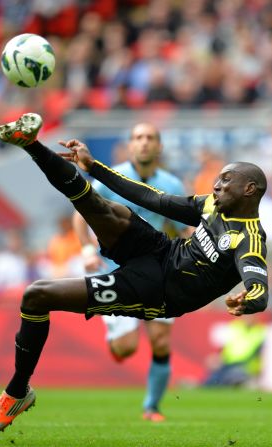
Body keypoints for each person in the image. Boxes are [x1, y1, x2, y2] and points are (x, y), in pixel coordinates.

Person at [0, 113, 268, 437]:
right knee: (97, 204)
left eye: (226, 180)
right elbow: (153, 199)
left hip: (156, 292)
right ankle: (31, 145)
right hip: (160, 251)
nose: (216, 184)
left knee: (37, 294)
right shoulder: (211, 206)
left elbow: (259, 284)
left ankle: (18, 393)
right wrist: (95, 166)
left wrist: (252, 297)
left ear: (249, 189)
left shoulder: (250, 240)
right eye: (218, 178)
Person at [72, 122, 187, 422]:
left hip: (158, 270)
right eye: (138, 138)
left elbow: (179, 226)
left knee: (161, 341)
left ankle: (151, 407)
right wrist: (86, 250)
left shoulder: (172, 185)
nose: (144, 143)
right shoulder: (111, 179)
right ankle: (116, 342)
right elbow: (80, 214)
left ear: (159, 146)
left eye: (150, 138)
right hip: (117, 270)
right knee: (127, 348)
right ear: (131, 145)